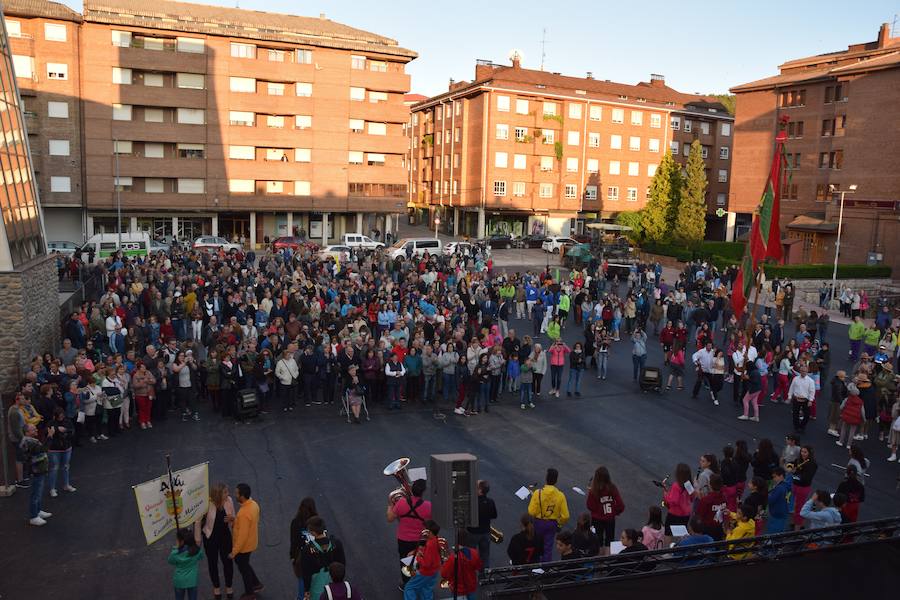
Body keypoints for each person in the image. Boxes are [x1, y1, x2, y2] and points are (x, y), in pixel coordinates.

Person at [387, 479, 432, 586]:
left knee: (404, 561)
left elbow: (390, 518)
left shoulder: (401, 502)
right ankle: (419, 582)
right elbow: (431, 523)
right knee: (420, 561)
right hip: (420, 540)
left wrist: (390, 504)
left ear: (412, 489)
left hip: (403, 539)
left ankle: (406, 584)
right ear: (423, 491)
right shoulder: (428, 506)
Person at [195, 482, 235, 600]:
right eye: (225, 492)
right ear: (218, 495)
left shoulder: (229, 500)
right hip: (210, 538)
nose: (228, 494)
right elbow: (197, 522)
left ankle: (229, 586)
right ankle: (216, 587)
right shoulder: (206, 504)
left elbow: (233, 517)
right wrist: (197, 542)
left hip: (225, 537)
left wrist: (232, 519)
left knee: (228, 562)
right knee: (213, 564)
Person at [527, 468, 570, 562]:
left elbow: (531, 511)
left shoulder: (538, 493)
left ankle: (535, 566)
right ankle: (545, 568)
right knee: (548, 548)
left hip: (538, 522)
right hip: (552, 523)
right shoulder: (560, 495)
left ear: (546, 479)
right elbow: (565, 516)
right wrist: (559, 523)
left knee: (536, 545)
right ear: (556, 480)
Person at [299, 516, 346, 600]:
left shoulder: (307, 549)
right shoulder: (336, 543)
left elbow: (306, 572)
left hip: (316, 585)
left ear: (313, 533)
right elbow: (342, 564)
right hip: (334, 581)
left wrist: (307, 590)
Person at [230, 483, 263, 600]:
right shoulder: (253, 505)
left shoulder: (243, 513)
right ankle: (256, 583)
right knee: (245, 565)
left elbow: (242, 537)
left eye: (236, 493)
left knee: (243, 568)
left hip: (244, 547)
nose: (235, 495)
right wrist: (235, 520)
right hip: (251, 542)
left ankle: (249, 593)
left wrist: (234, 552)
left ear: (242, 496)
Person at [586, 466, 625, 555]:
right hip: (610, 518)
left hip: (597, 519)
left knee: (598, 541)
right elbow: (620, 505)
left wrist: (597, 511)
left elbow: (590, 506)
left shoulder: (594, 490)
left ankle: (599, 563)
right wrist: (614, 512)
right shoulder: (612, 488)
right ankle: (606, 564)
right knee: (609, 541)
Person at [20, 424, 53, 526]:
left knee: (38, 492)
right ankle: (33, 516)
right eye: (33, 429)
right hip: (35, 471)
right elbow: (43, 449)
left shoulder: (30, 440)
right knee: (35, 493)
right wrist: (50, 436)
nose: (36, 430)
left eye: (35, 428)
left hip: (39, 470)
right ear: (27, 432)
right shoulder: (29, 442)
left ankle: (38, 511)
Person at [403, 519, 442, 600]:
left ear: (429, 532)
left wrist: (417, 557)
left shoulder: (430, 544)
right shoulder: (437, 539)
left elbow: (426, 564)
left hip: (425, 572)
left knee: (409, 588)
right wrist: (420, 551)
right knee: (426, 590)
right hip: (434, 571)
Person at [439, 529, 483, 600]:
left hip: (458, 590)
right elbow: (479, 566)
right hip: (471, 588)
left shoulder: (452, 558)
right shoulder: (474, 553)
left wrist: (444, 563)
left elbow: (444, 574)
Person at [290, 497, 318, 600]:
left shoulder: (296, 522)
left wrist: (292, 556)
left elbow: (293, 541)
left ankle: (301, 597)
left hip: (302, 557)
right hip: (316, 555)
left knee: (302, 579)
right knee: (315, 580)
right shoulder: (317, 521)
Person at [466, 480, 497, 570]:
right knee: (485, 555)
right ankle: (484, 575)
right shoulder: (491, 502)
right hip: (486, 532)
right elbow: (494, 515)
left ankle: (470, 572)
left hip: (473, 533)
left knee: (470, 555)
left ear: (480, 490)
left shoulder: (472, 503)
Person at [46, 407, 76, 497]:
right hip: (54, 449)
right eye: (59, 416)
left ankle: (66, 485)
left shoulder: (67, 422)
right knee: (54, 468)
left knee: (66, 467)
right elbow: (47, 434)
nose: (61, 417)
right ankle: (52, 488)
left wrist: (65, 430)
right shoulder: (50, 423)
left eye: (62, 416)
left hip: (66, 448)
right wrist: (57, 429)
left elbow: (72, 432)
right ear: (55, 416)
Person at [169, 528, 205, 600]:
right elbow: (201, 557)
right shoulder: (197, 551)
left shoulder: (174, 553)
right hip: (192, 581)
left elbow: (170, 561)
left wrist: (175, 549)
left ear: (181, 541)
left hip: (179, 581)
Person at [662, 463, 693, 543]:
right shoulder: (689, 484)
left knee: (668, 532)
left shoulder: (676, 485)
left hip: (675, 513)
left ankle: (667, 552)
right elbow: (692, 497)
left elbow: (673, 501)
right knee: (682, 533)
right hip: (686, 513)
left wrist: (666, 494)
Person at [789, 445, 817, 529]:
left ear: (809, 453)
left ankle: (797, 528)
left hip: (803, 488)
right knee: (795, 506)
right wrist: (789, 467)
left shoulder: (812, 464)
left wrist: (794, 474)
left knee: (799, 508)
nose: (803, 454)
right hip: (796, 485)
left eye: (805, 452)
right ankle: (795, 523)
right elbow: (791, 463)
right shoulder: (799, 459)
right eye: (802, 451)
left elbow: (806, 478)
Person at [788, 363, 816, 433]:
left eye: (805, 371)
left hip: (805, 400)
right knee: (795, 414)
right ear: (800, 371)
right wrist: (789, 396)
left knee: (806, 415)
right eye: (802, 371)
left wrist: (810, 400)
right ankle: (797, 427)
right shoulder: (795, 379)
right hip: (796, 399)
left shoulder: (810, 381)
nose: (803, 373)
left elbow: (812, 391)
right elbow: (792, 388)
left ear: (807, 372)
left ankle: (802, 426)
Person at [765, 467, 793, 534]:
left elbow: (770, 500)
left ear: (781, 476)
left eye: (775, 477)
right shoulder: (786, 485)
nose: (773, 479)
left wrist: (767, 494)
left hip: (776, 513)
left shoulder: (779, 488)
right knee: (779, 531)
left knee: (772, 532)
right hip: (784, 511)